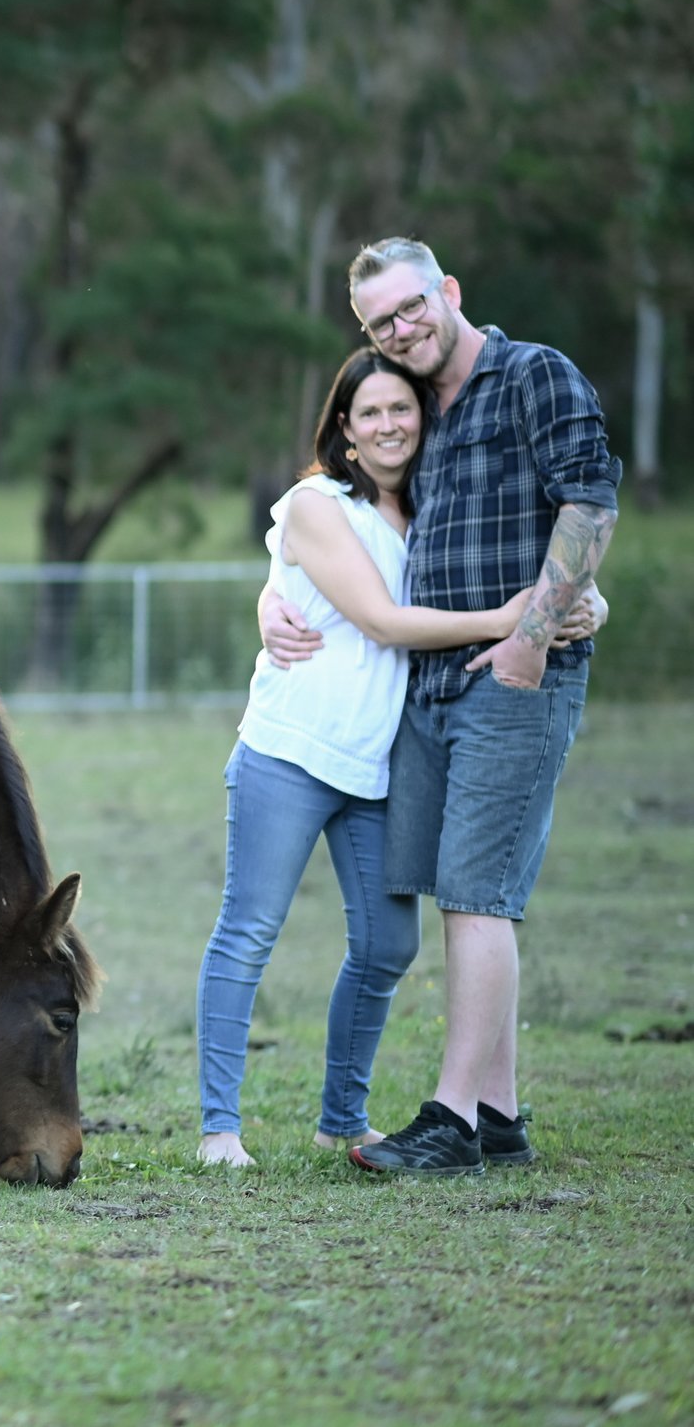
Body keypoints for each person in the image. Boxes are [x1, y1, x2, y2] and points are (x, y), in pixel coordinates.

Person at [262, 237, 619, 1177]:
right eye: (381, 322)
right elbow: (341, 520)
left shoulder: (533, 375)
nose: (402, 328)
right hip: (430, 687)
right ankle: (498, 1111)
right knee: (459, 892)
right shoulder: (421, 407)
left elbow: (590, 505)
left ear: (448, 291)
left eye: (413, 307)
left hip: (513, 675)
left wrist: (535, 636)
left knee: (477, 894)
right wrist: (272, 595)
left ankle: (452, 1118)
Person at [198, 350, 539, 1169]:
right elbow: (382, 621)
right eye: (371, 412)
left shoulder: (433, 511)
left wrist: (567, 599)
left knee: (390, 945)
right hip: (291, 749)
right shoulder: (318, 503)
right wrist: (505, 620)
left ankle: (342, 1119)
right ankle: (219, 1129)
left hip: (377, 764)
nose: (389, 424)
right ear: (345, 429)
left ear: (424, 419)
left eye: (403, 409)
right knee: (248, 934)